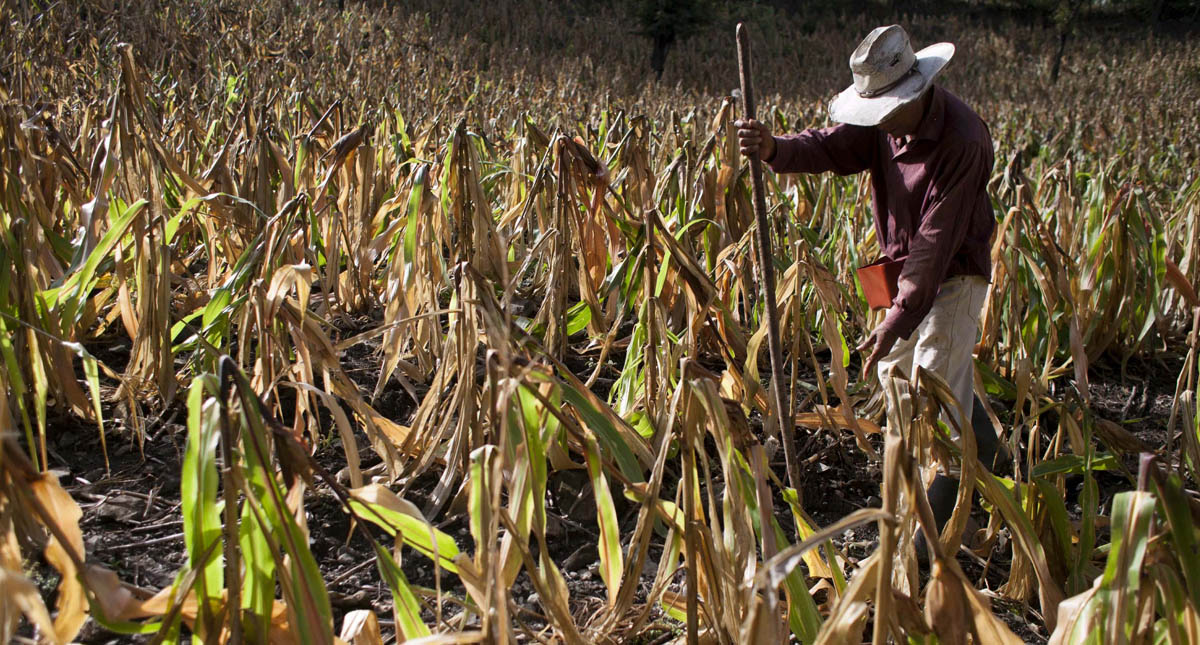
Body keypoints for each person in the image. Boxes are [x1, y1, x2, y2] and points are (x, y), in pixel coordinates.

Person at [735, 25, 1005, 557]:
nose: (877, 121)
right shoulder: (886, 121)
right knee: (897, 377)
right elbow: (835, 145)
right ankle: (990, 451)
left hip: (951, 275)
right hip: (903, 269)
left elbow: (935, 243)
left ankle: (928, 540)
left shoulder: (963, 141)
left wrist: (897, 316)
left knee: (934, 392)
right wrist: (775, 149)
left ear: (918, 90)